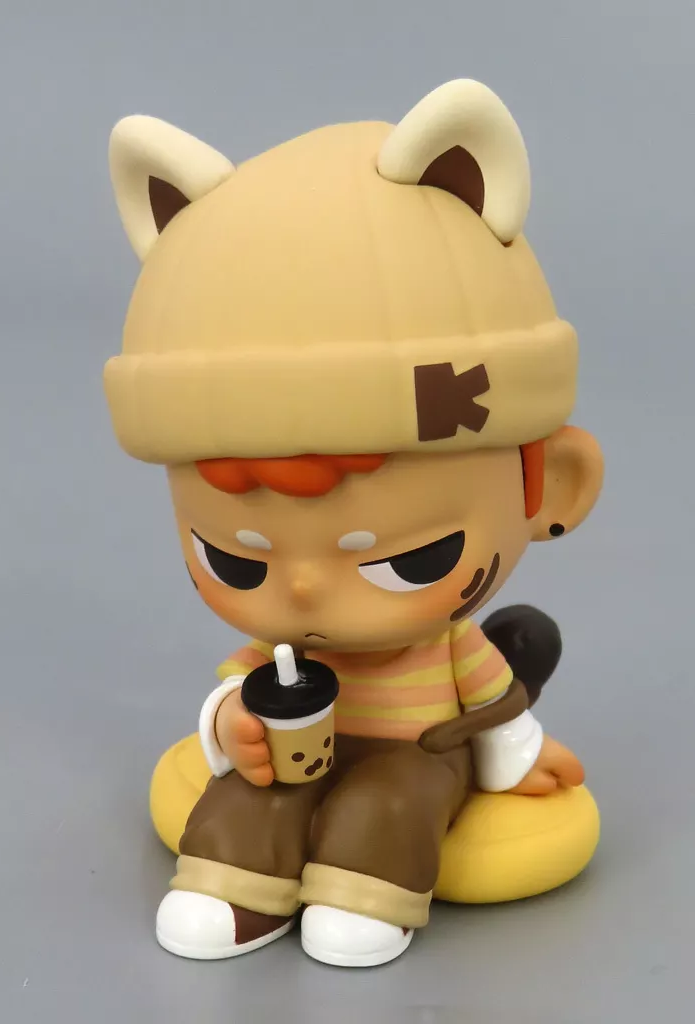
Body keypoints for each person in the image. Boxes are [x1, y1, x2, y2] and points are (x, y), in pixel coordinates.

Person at [104, 78, 603, 967]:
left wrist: (522, 759)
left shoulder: (449, 653)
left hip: (418, 754)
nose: (303, 589)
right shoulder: (279, 656)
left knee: (392, 801)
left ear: (552, 489)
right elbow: (234, 695)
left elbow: (490, 709)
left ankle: (370, 895)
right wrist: (232, 730)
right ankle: (232, 888)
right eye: (235, 559)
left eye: (411, 560)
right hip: (298, 748)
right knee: (249, 796)